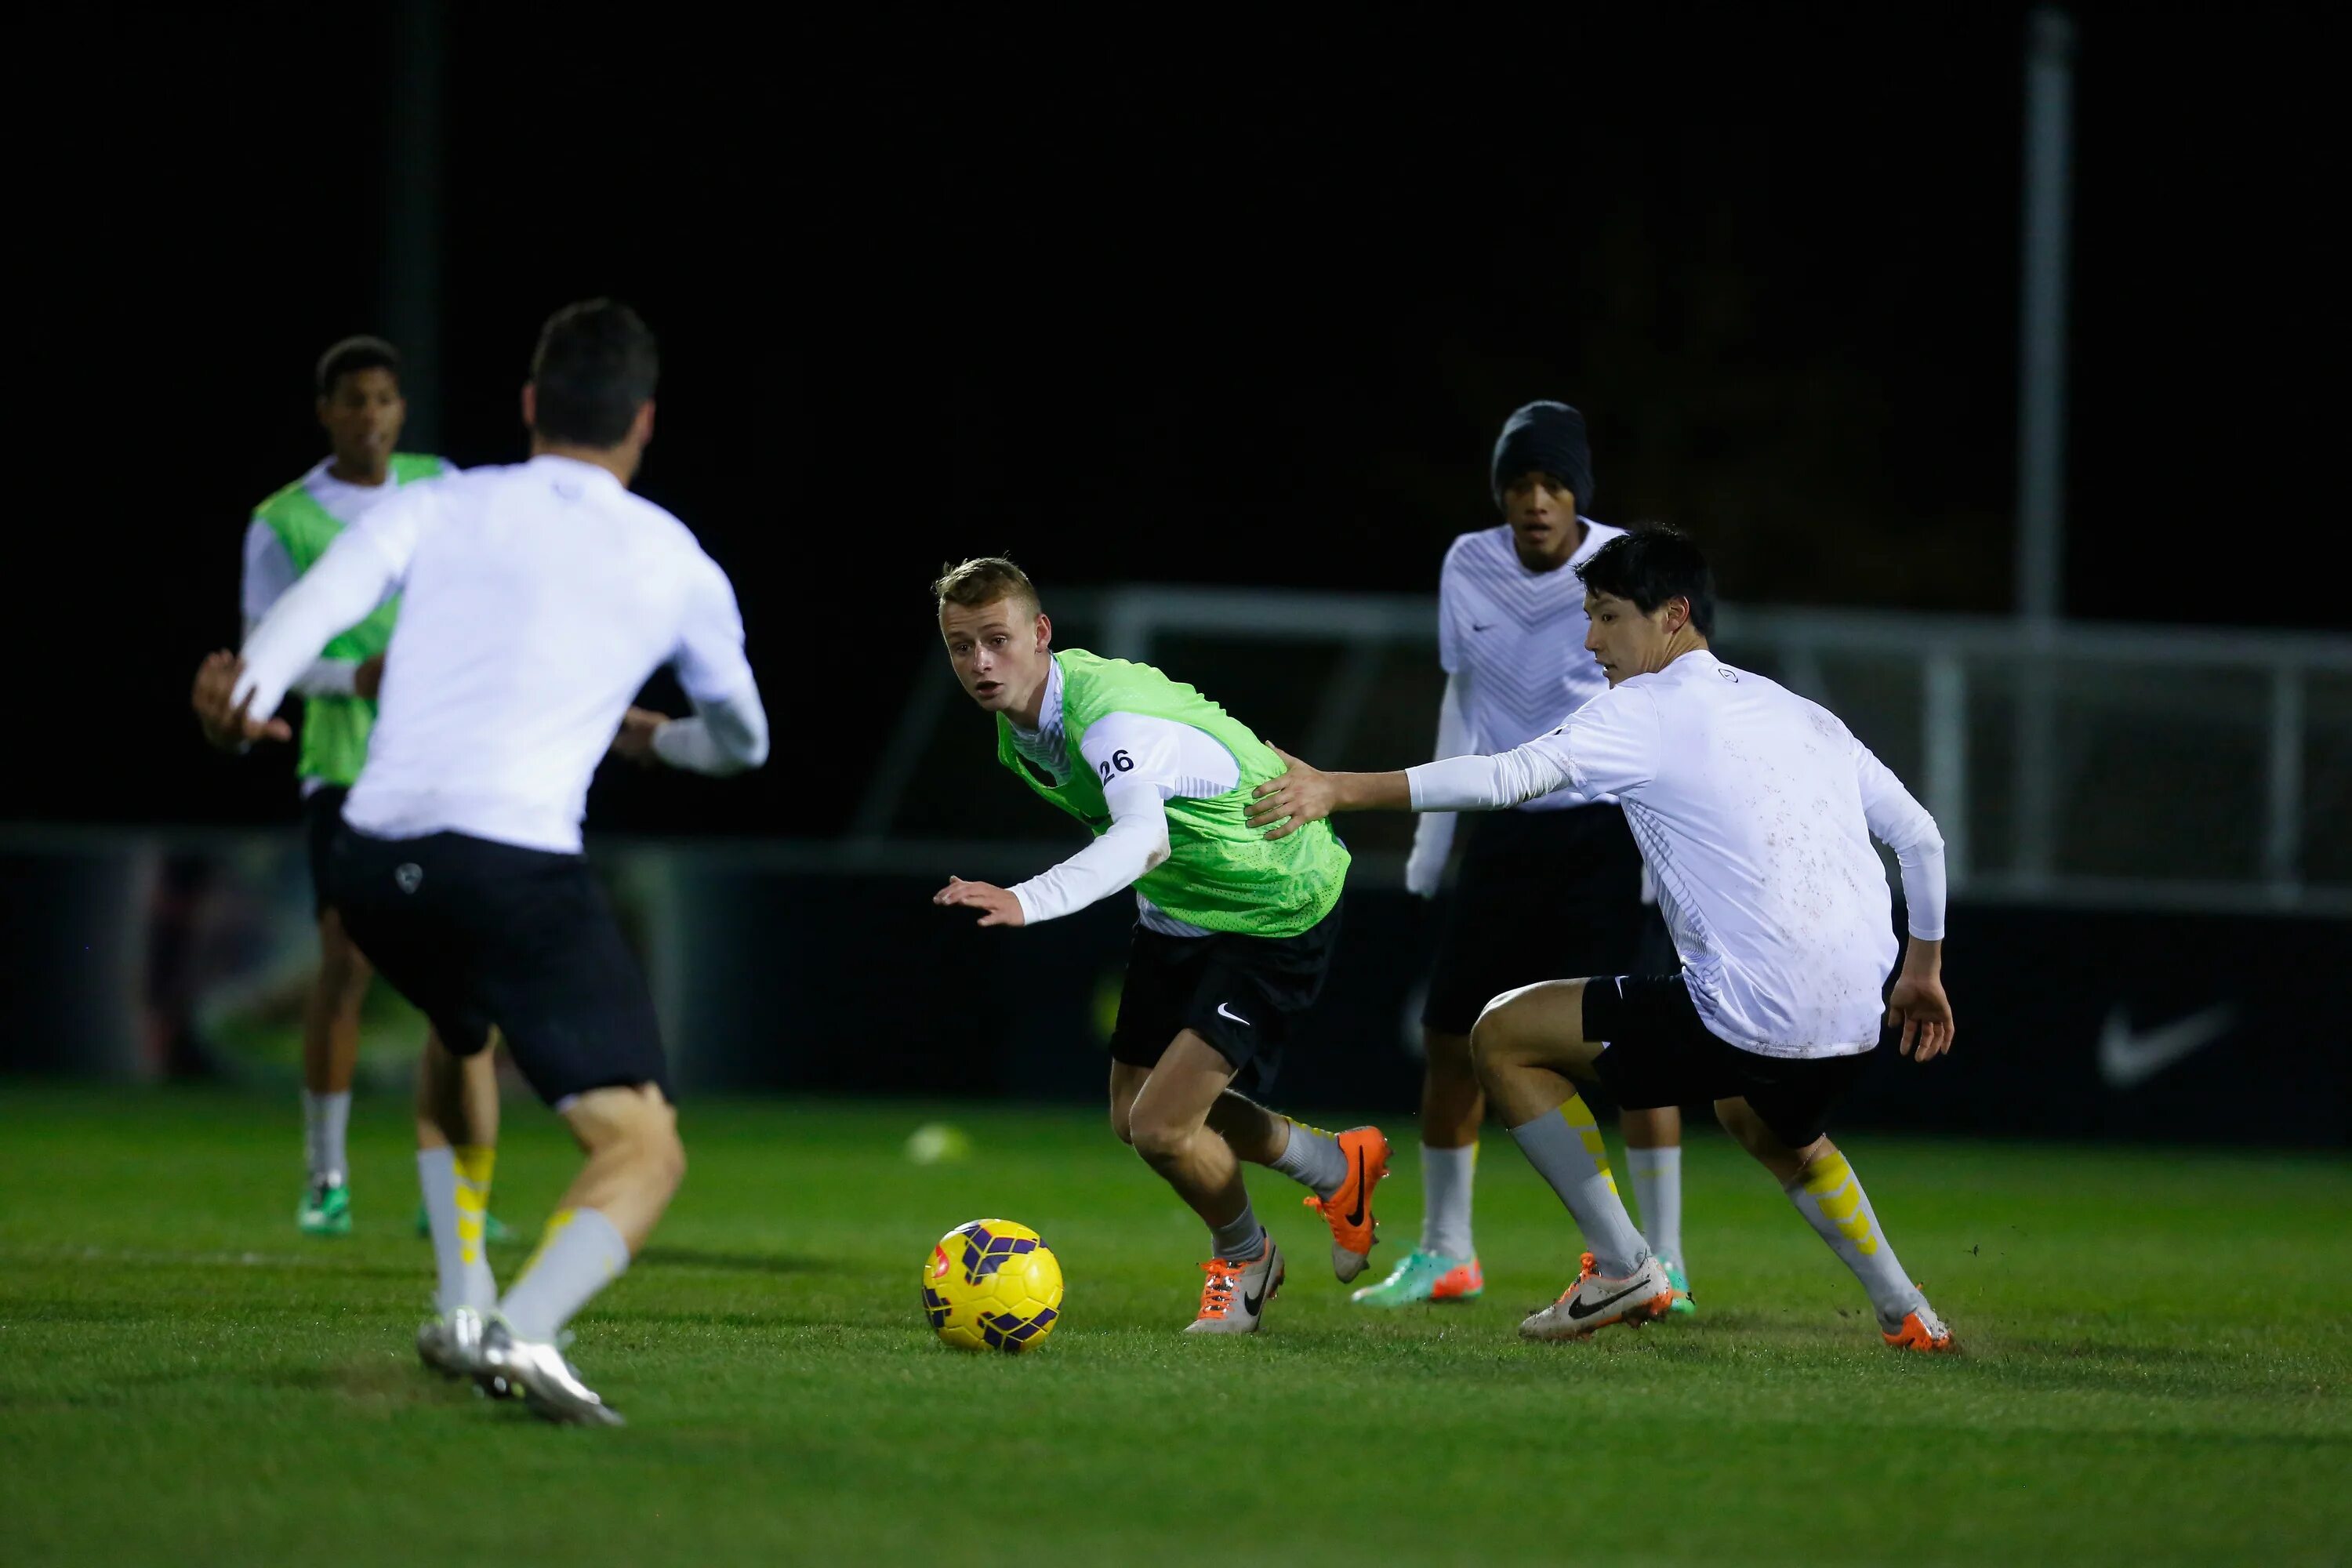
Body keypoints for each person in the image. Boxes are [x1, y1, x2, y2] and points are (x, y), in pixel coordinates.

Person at [194, 299, 770, 1421]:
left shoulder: (439, 504)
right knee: (643, 1147)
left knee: (460, 1035)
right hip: (508, 870)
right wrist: (659, 739)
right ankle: (524, 1329)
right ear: (642, 423)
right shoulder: (673, 555)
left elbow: (319, 610)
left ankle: (462, 1306)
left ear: (527, 406)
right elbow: (745, 743)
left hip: (371, 860)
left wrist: (243, 698)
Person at [1247, 526, 1958, 1351]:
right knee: (1767, 1124)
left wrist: (1338, 786)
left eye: (1608, 616)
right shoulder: (1799, 711)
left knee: (1502, 1034)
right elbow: (1922, 838)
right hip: (1854, 1019)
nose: (1591, 641)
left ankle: (1625, 1264)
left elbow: (1506, 775)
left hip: (1753, 1009)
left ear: (1673, 616)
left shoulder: (1645, 710)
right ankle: (1907, 1309)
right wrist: (1924, 968)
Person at [931, 557, 1388, 1334]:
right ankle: (1334, 1165)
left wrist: (1029, 898)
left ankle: (1247, 1259)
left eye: (997, 640)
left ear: (1041, 634)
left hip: (1274, 901)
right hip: (1181, 905)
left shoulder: (1111, 721)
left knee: (1163, 1126)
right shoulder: (1021, 728)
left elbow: (1141, 836)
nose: (980, 662)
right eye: (961, 645)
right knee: (1132, 1114)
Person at [1357, 400, 1694, 1316]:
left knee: (1635, 1050)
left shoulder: (1626, 563)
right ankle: (1446, 1251)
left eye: (1553, 483)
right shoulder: (1467, 564)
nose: (1536, 501)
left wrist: (1664, 852)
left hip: (1605, 828)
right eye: (1519, 484)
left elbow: (1672, 707)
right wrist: (1435, 837)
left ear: (1580, 489)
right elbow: (1462, 696)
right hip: (1505, 827)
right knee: (1451, 1039)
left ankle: (1665, 1257)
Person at [239, 335, 504, 1240]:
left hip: (448, 762)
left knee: (465, 976)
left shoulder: (443, 486)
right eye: (353, 399)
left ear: (401, 409)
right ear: (326, 411)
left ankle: (456, 1195)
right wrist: (354, 678)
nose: (372, 415)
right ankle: (327, 1176)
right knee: (347, 965)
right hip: (346, 766)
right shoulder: (283, 518)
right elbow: (263, 655)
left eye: (386, 398)